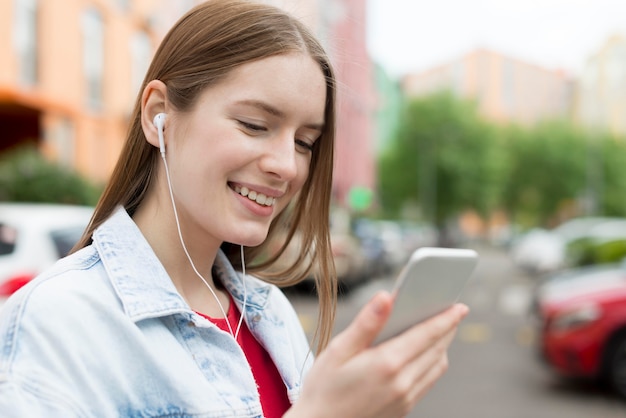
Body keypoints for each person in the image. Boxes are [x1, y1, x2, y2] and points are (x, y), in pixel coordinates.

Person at [0, 1, 469, 417]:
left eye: (305, 142)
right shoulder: (56, 324)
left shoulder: (272, 314)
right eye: (254, 125)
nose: (287, 166)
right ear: (157, 114)